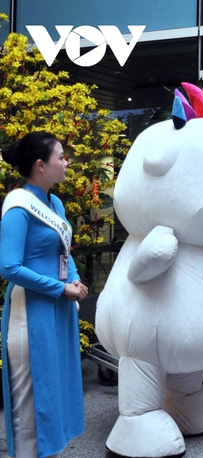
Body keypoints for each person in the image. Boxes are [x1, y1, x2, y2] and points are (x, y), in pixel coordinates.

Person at [0, 132, 88, 458]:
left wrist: (75, 281)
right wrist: (61, 288)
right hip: (30, 311)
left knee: (53, 390)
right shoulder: (19, 207)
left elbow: (64, 253)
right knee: (31, 400)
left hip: (58, 308)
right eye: (61, 157)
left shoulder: (56, 204)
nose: (67, 163)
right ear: (40, 165)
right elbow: (9, 267)